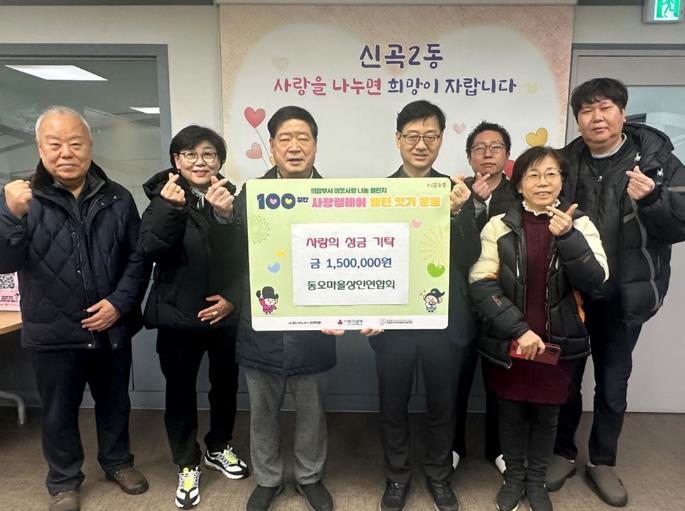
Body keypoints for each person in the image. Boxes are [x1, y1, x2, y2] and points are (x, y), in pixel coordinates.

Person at [0, 106, 150, 511]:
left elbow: (138, 259)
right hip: (52, 329)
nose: (66, 152)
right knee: (58, 411)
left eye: (75, 143)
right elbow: (4, 263)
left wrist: (119, 304)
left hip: (110, 325)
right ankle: (64, 481)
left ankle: (117, 462)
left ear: (90, 146)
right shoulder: (21, 199)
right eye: (55, 144)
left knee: (115, 401)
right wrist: (8, 216)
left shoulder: (118, 197)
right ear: (40, 148)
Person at [545, 77, 685, 507]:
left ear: (622, 113)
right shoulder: (565, 163)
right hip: (572, 293)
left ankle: (602, 461)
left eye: (605, 108)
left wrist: (653, 198)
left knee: (612, 381)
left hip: (625, 297)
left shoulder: (659, 162)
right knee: (565, 379)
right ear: (577, 119)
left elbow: (680, 223)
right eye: (587, 110)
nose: (597, 117)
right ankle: (562, 453)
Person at [470, 146, 608, 511]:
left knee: (548, 416)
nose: (542, 182)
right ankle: (514, 478)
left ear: (562, 181)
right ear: (519, 185)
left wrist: (568, 237)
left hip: (557, 343)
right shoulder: (498, 226)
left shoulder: (580, 225)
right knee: (510, 413)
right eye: (532, 175)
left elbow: (595, 280)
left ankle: (536, 482)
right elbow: (481, 284)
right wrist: (518, 330)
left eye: (550, 174)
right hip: (511, 339)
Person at [363, 100, 480, 511]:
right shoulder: (379, 194)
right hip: (392, 320)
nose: (421, 144)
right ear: (398, 139)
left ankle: (439, 475)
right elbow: (368, 258)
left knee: (443, 405)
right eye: (412, 135)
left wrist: (458, 214)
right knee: (392, 404)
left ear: (441, 140)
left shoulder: (456, 191)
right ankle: (396, 476)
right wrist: (370, 310)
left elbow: (469, 257)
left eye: (430, 136)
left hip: (443, 319)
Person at [234, 106, 340, 511]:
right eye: (285, 139)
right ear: (272, 147)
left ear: (315, 145)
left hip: (316, 327)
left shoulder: (337, 198)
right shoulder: (249, 196)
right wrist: (224, 219)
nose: (294, 147)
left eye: (303, 138)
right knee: (262, 412)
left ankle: (310, 477)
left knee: (312, 411)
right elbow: (231, 258)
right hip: (262, 322)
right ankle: (268, 479)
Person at [138, 125, 248, 509]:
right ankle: (187, 462)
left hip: (224, 316)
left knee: (225, 386)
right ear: (176, 160)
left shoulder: (231, 198)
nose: (200, 162)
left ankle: (219, 446)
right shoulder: (162, 197)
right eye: (190, 154)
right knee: (180, 391)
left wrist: (233, 299)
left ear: (219, 160)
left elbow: (247, 258)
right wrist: (169, 209)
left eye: (208, 154)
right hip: (177, 316)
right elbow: (150, 248)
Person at [452, 121, 518, 474]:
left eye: (495, 147)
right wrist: (470, 203)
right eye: (479, 148)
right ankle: (454, 446)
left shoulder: (519, 194)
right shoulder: (455, 191)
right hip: (461, 302)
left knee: (499, 379)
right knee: (457, 379)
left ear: (507, 155)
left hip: (502, 303)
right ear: (469, 156)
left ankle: (498, 447)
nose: (487, 154)